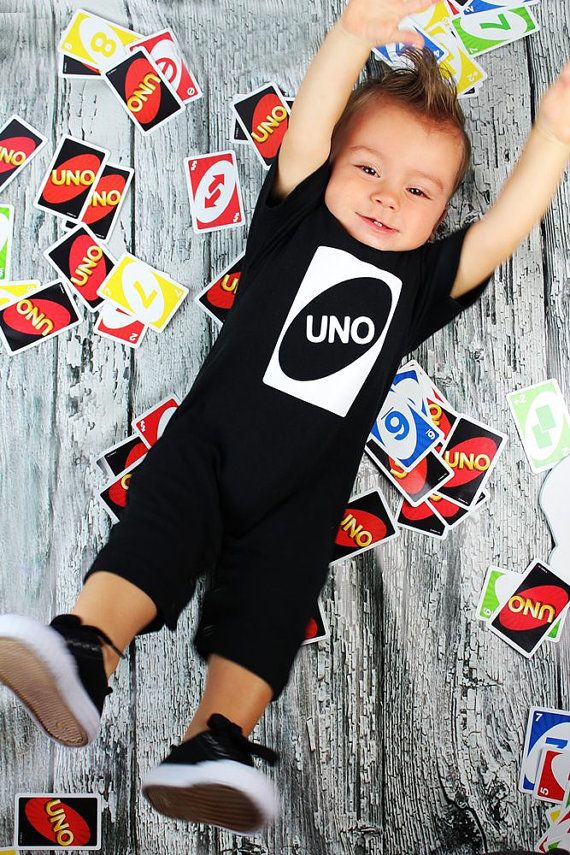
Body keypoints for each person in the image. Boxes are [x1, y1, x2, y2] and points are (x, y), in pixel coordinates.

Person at [1, 0, 569, 841]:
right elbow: (310, 123)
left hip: (303, 496)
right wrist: (350, 36)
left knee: (269, 612)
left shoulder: (423, 283)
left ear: (441, 213)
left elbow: (507, 225)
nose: (387, 197)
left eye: (419, 190)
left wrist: (554, 134)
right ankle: (86, 649)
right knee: (152, 539)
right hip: (210, 447)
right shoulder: (293, 220)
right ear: (332, 163)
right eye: (368, 168)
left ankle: (214, 742)